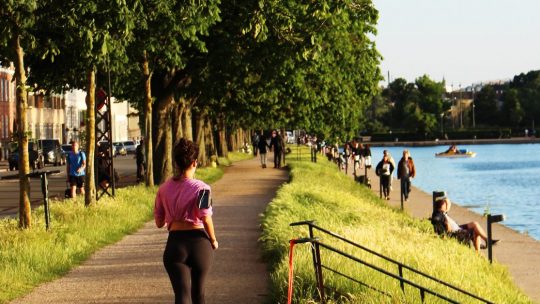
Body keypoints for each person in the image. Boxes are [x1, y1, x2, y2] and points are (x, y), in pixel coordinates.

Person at [154, 138, 218, 304]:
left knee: (181, 295)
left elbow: (159, 222)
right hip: (199, 244)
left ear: (175, 162)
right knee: (199, 295)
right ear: (195, 162)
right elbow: (205, 217)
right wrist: (213, 240)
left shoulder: (163, 189)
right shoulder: (203, 189)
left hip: (175, 244)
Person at [431, 197, 499, 252]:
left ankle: (487, 240)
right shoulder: (439, 214)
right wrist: (446, 223)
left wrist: (446, 202)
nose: (446, 205)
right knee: (474, 231)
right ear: (442, 206)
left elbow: (448, 203)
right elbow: (435, 219)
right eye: (445, 204)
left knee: (475, 224)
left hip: (458, 228)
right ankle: (478, 252)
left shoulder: (444, 213)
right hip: (456, 231)